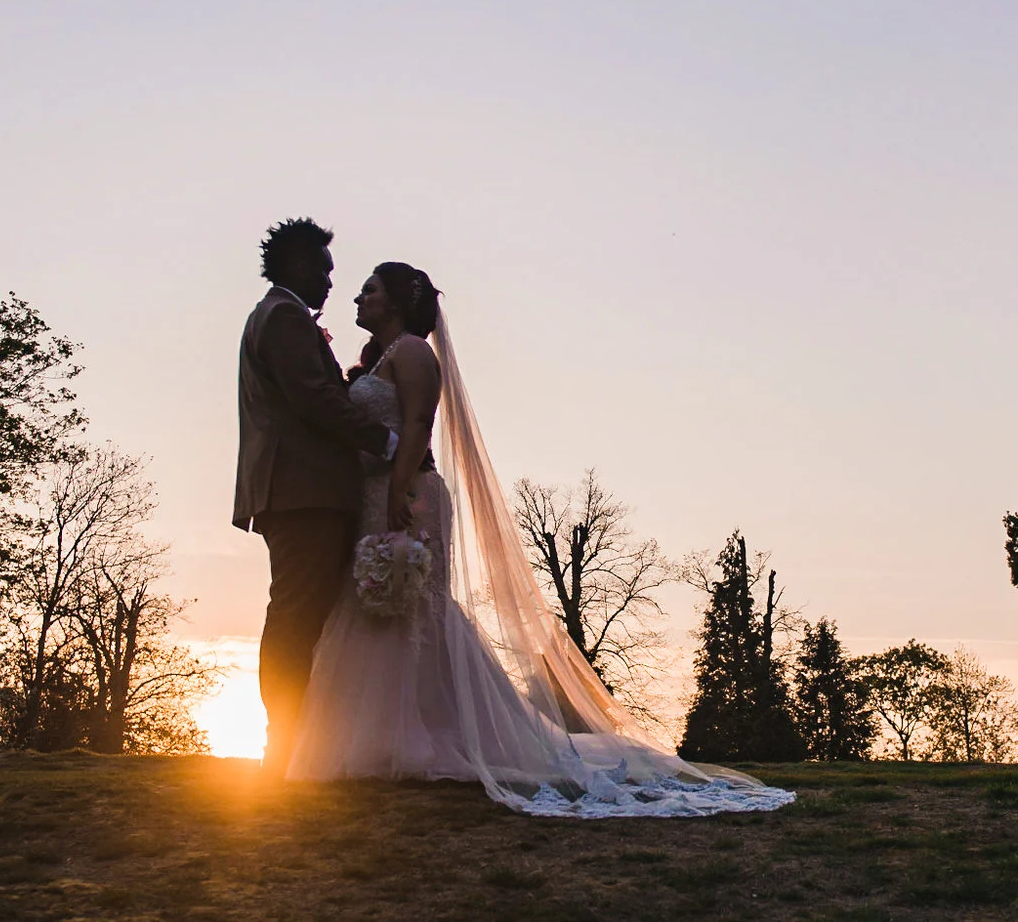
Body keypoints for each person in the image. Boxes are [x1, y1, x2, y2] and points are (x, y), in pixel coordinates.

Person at [282, 260, 793, 818]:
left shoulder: (411, 353)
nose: (358, 296)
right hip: (374, 498)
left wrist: (397, 493)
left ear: (400, 302)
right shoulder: (375, 361)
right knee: (377, 608)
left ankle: (427, 736)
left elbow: (420, 425)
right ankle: (381, 737)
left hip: (408, 498)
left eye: (370, 289)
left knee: (413, 611)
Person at [234, 218, 395, 776]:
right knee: (296, 614)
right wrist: (385, 438)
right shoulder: (281, 317)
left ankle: (299, 737)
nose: (331, 283)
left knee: (305, 613)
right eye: (324, 270)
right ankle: (281, 741)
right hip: (301, 489)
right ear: (297, 265)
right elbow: (312, 398)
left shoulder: (280, 316)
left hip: (302, 489)